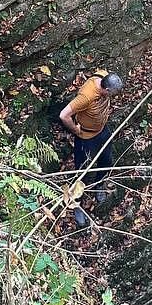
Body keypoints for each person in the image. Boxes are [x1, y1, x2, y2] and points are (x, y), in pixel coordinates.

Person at [58, 71, 124, 230]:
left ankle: (99, 185)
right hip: (86, 137)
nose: (114, 96)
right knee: (82, 171)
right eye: (113, 93)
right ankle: (76, 203)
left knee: (107, 161)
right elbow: (64, 115)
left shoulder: (102, 77)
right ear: (106, 90)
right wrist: (75, 130)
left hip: (102, 131)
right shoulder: (86, 96)